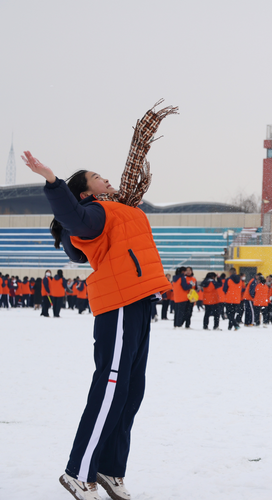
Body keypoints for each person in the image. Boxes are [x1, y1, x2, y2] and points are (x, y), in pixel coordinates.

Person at [22, 100, 176, 500]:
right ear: (85, 191)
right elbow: (73, 222)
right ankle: (78, 470)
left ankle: (109, 468)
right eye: (97, 177)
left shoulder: (121, 210)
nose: (106, 179)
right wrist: (53, 180)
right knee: (110, 389)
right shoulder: (92, 214)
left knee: (131, 391)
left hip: (140, 302)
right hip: (120, 305)